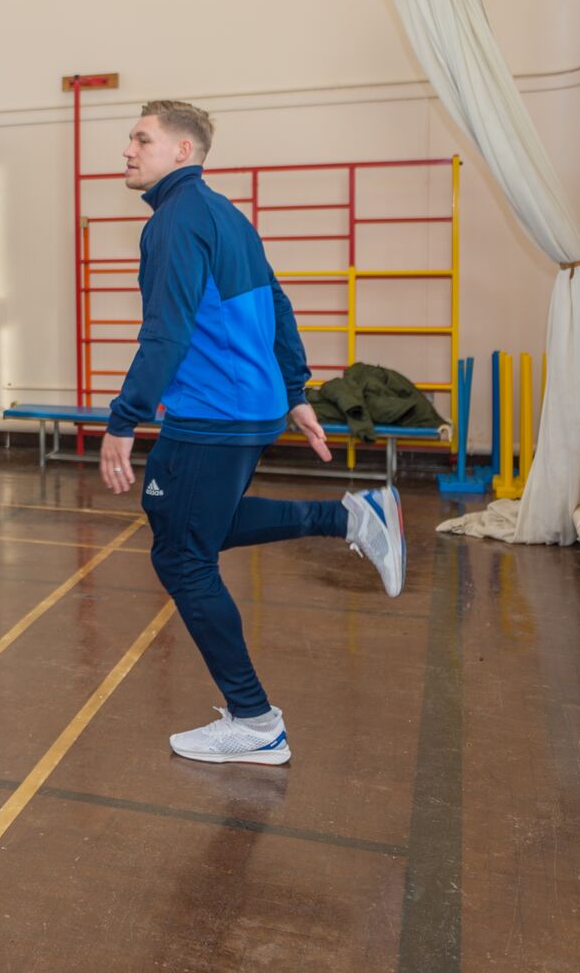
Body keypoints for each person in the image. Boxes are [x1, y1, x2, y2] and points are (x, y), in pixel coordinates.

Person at [101, 100, 406, 767]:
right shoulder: (228, 217)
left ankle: (254, 718)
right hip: (248, 407)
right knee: (183, 521)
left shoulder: (175, 224)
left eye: (142, 138)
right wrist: (294, 391)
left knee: (182, 557)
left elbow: (167, 332)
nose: (127, 149)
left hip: (213, 413)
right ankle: (353, 516)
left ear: (184, 151)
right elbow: (279, 302)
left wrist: (123, 419)